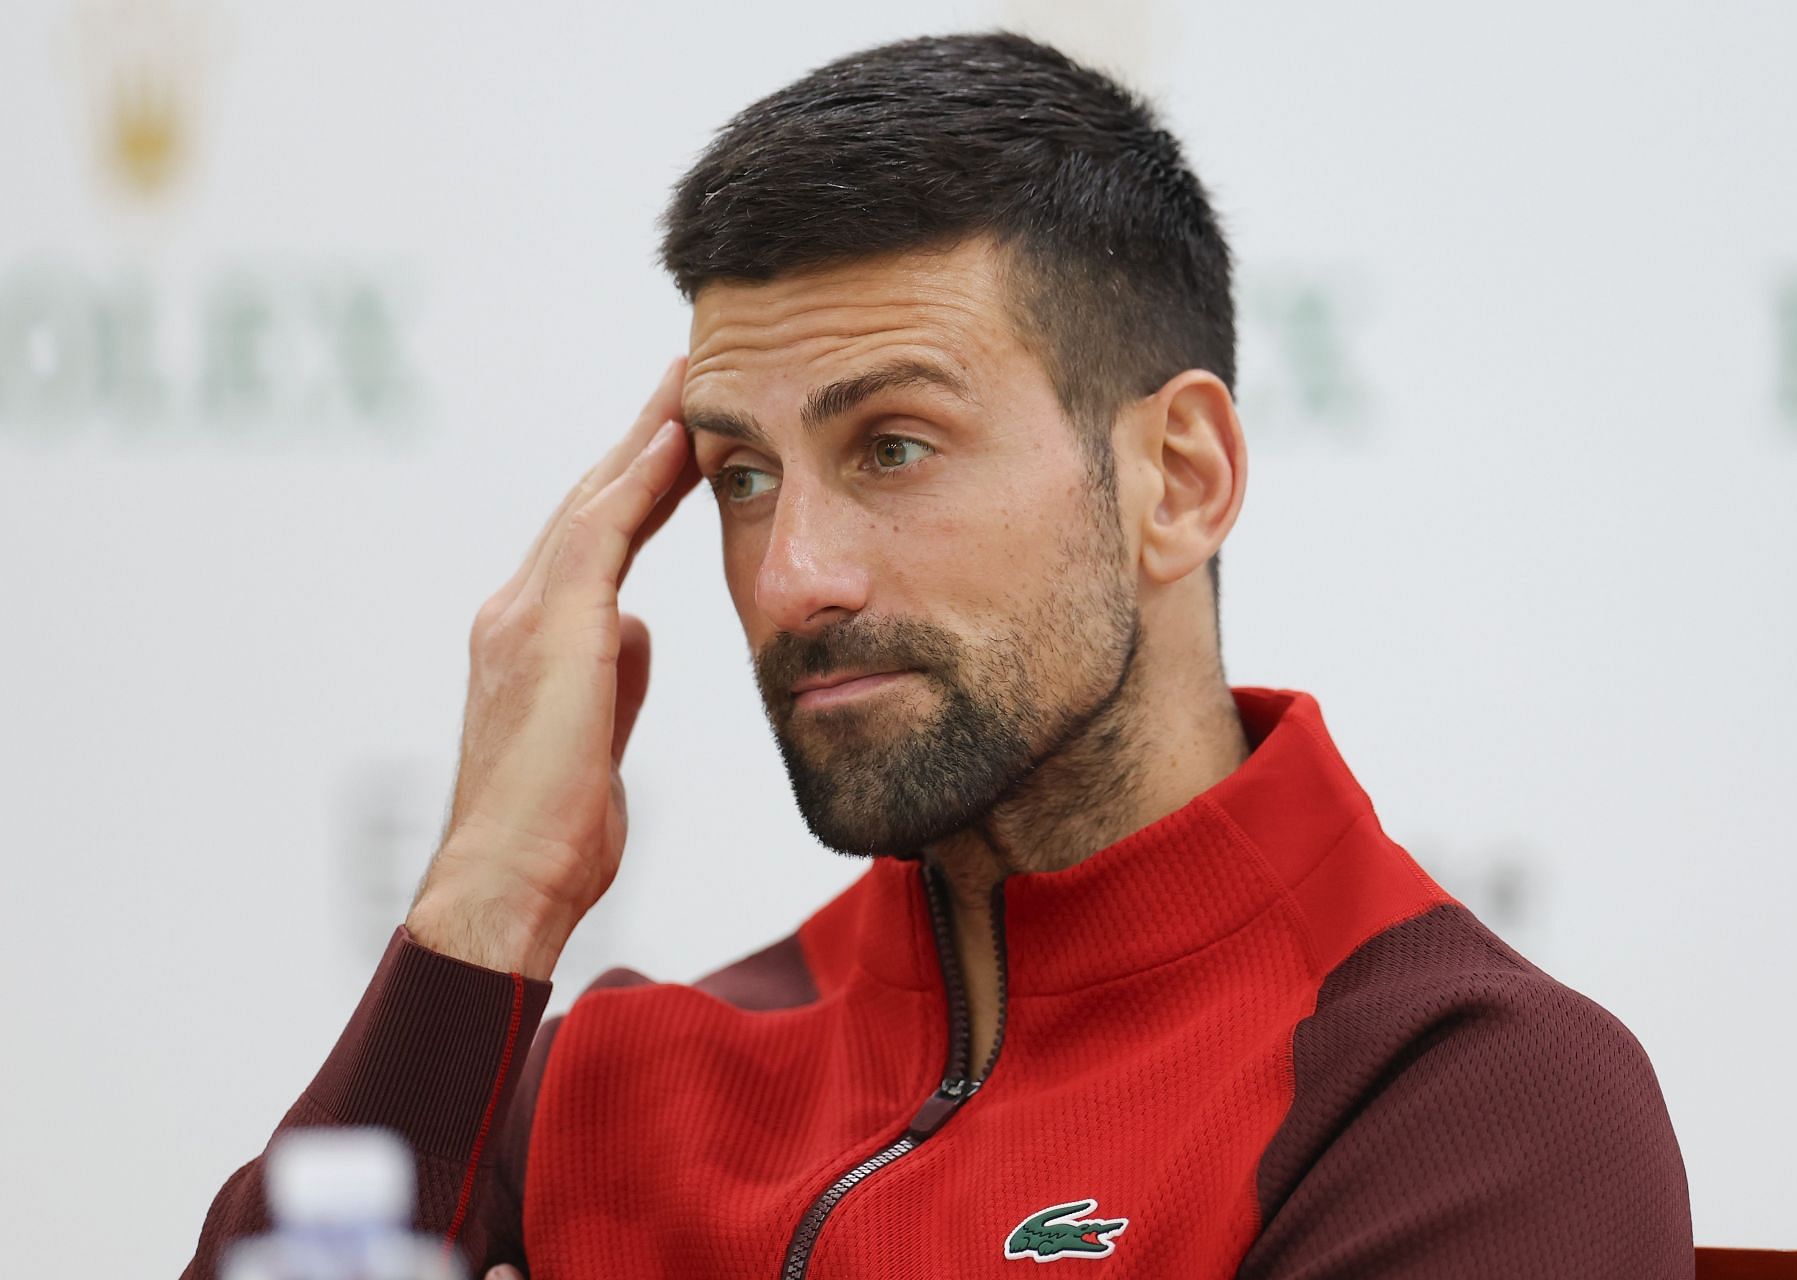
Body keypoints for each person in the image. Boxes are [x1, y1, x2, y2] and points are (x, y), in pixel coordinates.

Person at [185, 30, 1692, 1279]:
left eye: (894, 446)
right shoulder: (621, 1079)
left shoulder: (1457, 1096)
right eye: (741, 477)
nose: (793, 577)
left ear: (1180, 480)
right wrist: (489, 897)